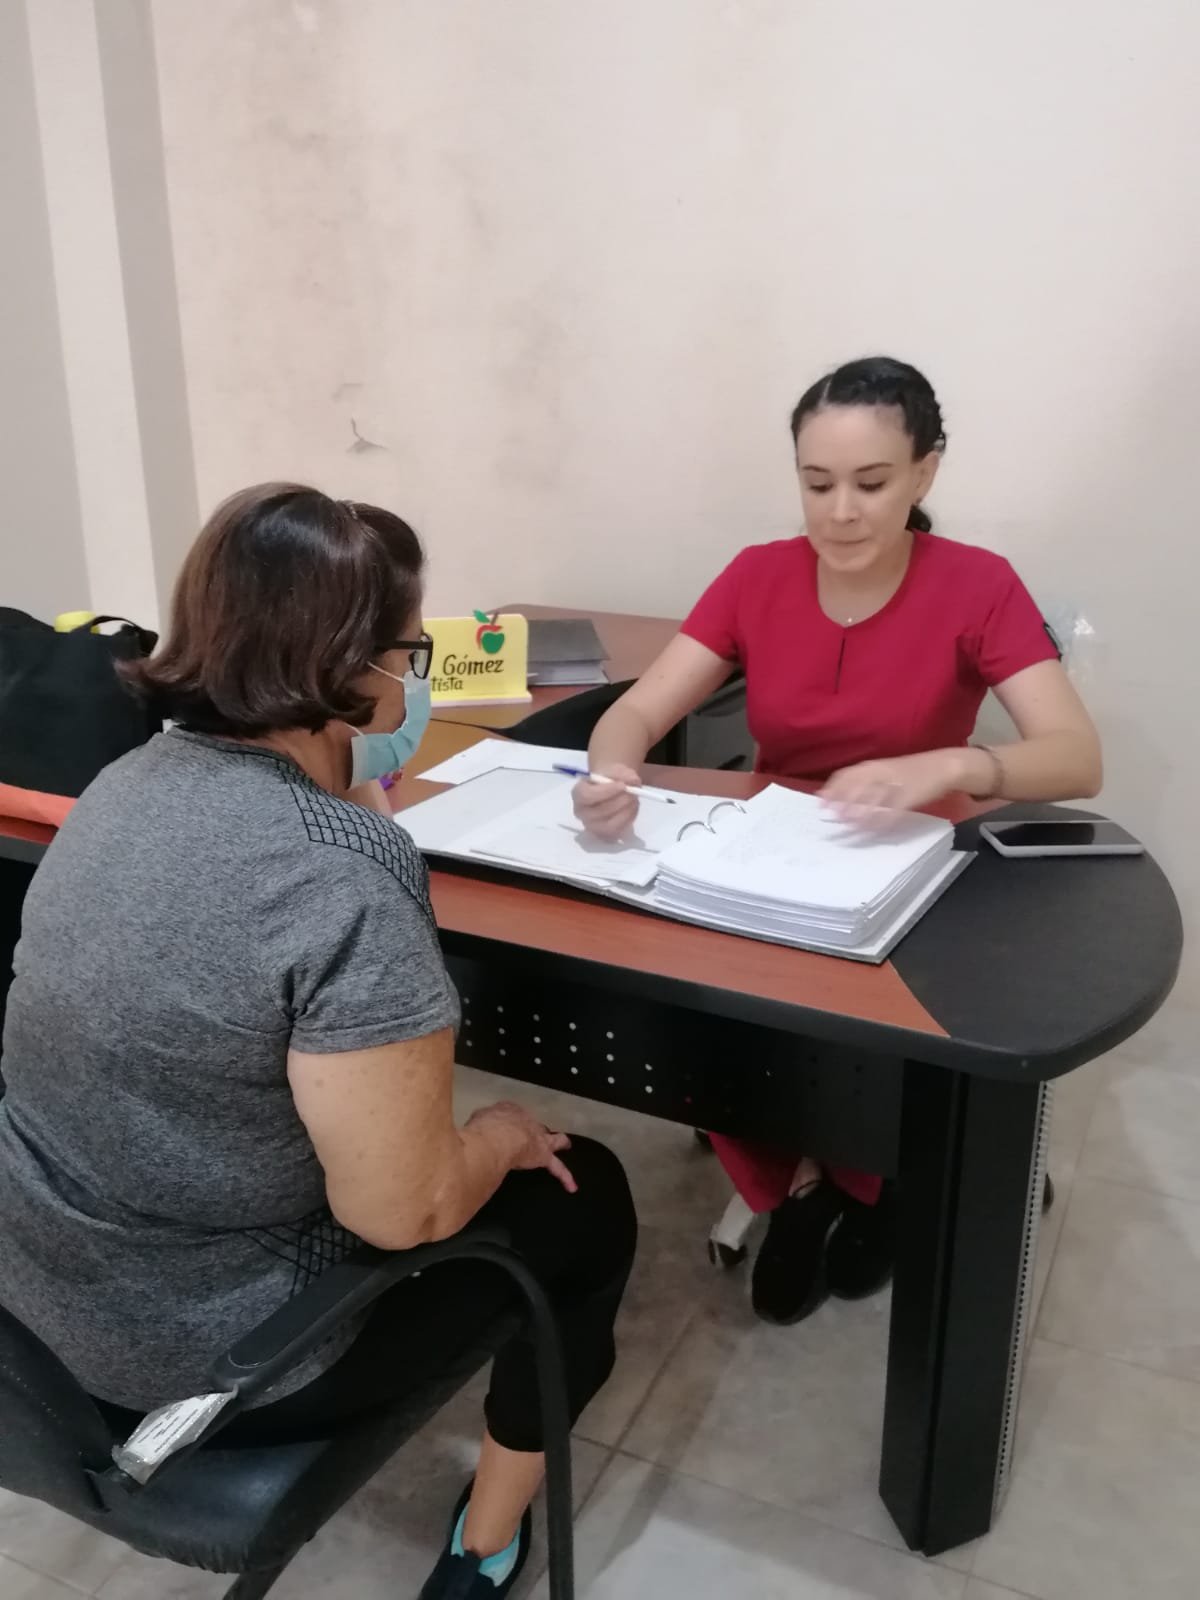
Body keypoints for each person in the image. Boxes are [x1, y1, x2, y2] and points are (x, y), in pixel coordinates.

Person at [0, 484, 637, 1600]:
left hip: (37, 1316)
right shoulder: (338, 874)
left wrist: (350, 802)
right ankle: (486, 1544)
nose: (414, 679)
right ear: (352, 670)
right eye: (409, 652)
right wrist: (494, 1135)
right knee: (586, 1194)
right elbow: (405, 1215)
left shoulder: (118, 787)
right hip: (207, 1363)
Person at [574, 356, 1100, 1327]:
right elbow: (639, 709)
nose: (842, 512)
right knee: (692, 1003)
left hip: (915, 864)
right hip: (775, 856)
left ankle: (874, 1181)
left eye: (872, 482)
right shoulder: (757, 574)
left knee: (875, 1029)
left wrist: (951, 765)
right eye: (818, 485)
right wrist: (612, 770)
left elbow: (1076, 756)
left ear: (925, 472)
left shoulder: (977, 585)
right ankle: (807, 1185)